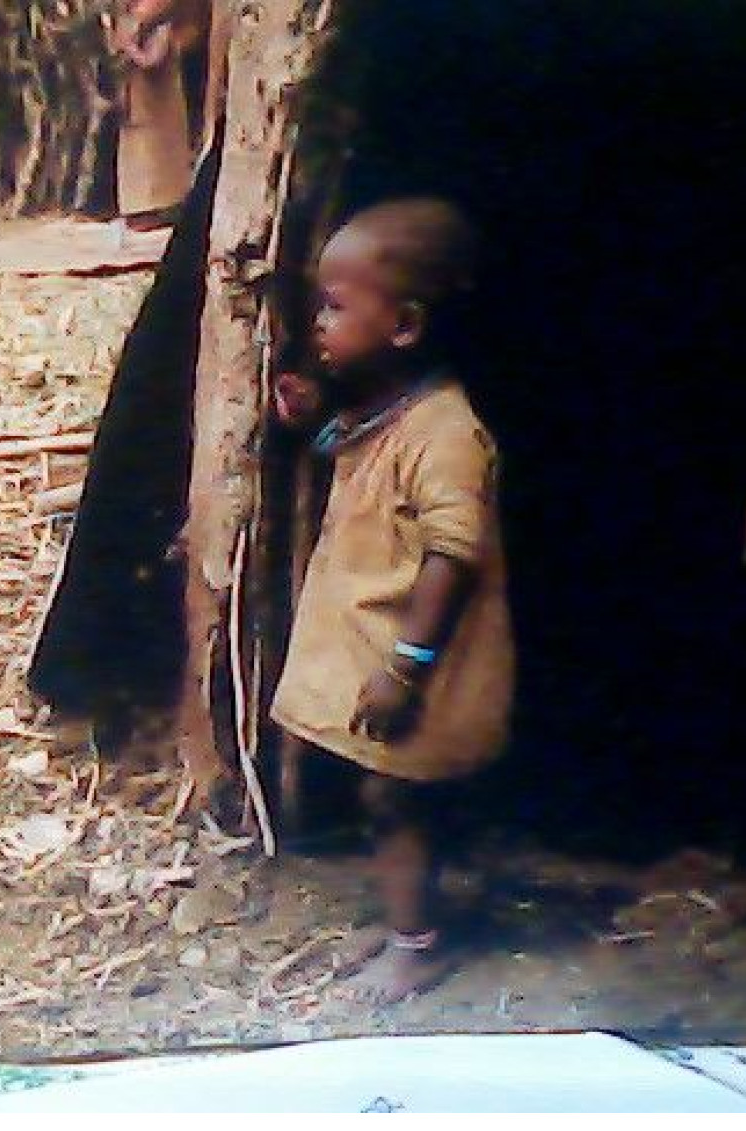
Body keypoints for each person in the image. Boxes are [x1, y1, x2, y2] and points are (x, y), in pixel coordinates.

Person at [270, 198, 515, 1005]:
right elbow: (356, 448)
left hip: (424, 659)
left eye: (336, 307)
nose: (318, 324)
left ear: (405, 325)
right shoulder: (390, 411)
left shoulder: (446, 433)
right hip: (390, 650)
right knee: (388, 795)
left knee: (395, 799)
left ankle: (418, 946)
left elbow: (456, 549)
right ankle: (415, 918)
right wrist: (312, 418)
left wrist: (407, 665)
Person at [112, 0, 211, 230]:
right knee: (139, 151)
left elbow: (153, 58)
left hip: (160, 97)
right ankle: (139, 206)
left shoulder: (162, 29)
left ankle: (164, 204)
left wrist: (132, 43)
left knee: (161, 149)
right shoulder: (132, 25)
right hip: (137, 98)